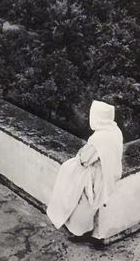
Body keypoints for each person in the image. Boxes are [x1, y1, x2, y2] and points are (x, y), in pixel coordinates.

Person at [46, 100, 124, 236]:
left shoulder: (99, 138)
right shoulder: (115, 130)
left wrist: (81, 154)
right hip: (110, 172)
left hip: (97, 176)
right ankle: (85, 231)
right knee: (88, 206)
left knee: (83, 204)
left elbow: (84, 160)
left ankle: (79, 233)